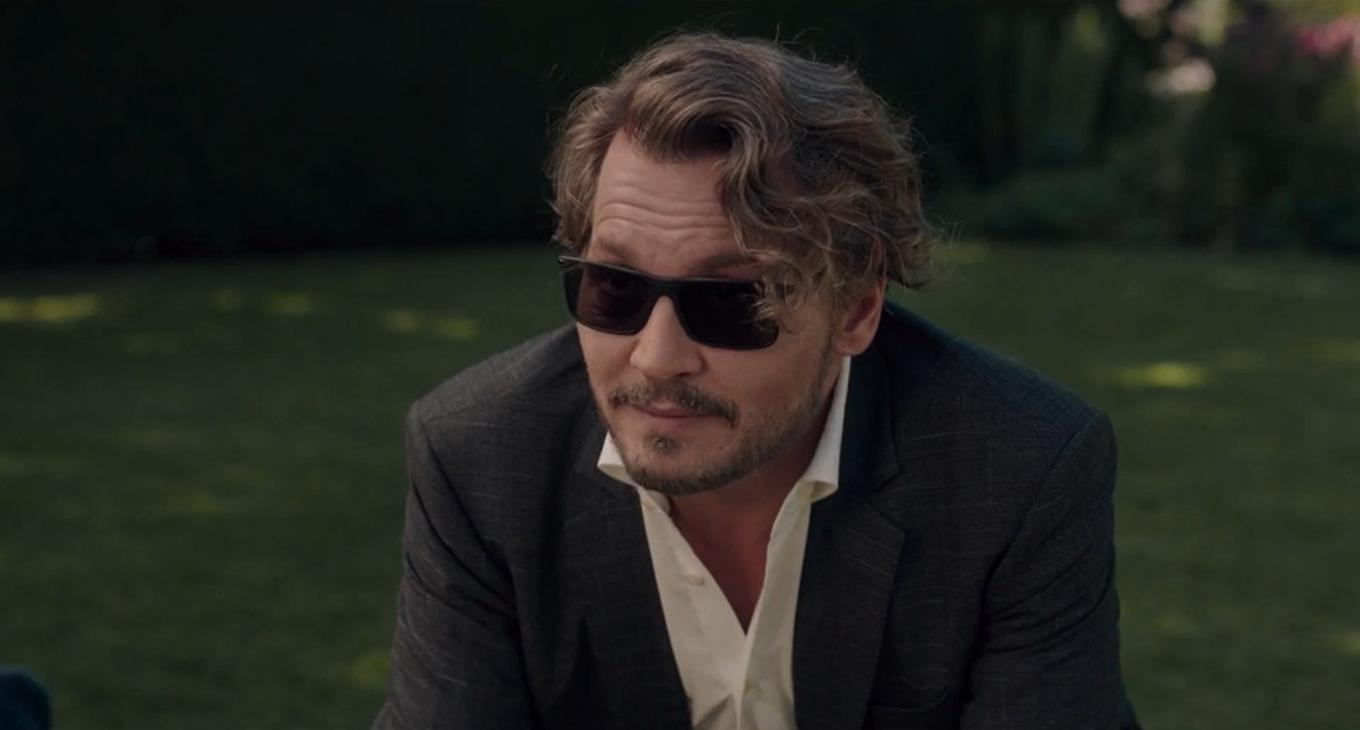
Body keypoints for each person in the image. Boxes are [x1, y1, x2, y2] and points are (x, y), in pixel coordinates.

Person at [373, 32, 1139, 730]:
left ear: (856, 308)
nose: (656, 357)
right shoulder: (481, 457)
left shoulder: (1018, 468)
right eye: (615, 287)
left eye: (732, 302)